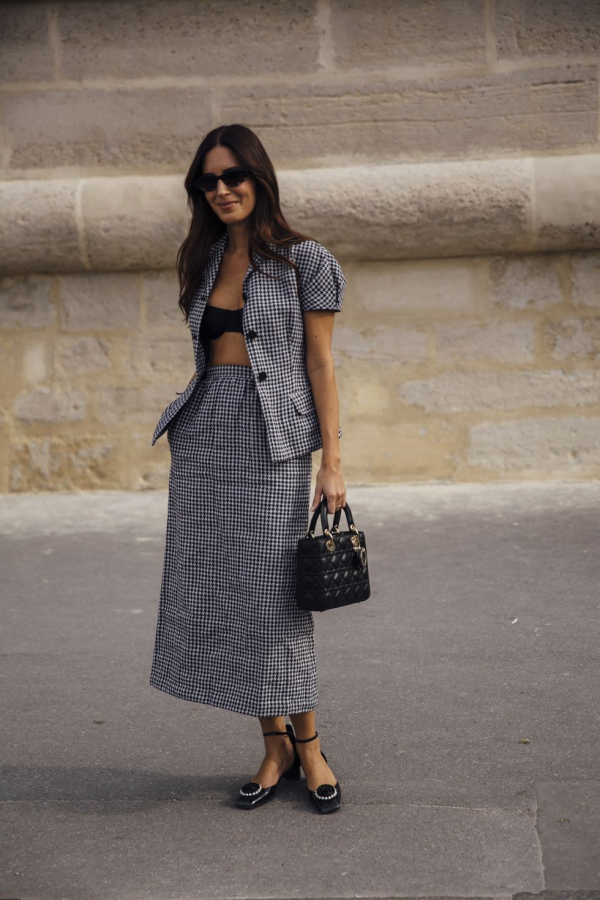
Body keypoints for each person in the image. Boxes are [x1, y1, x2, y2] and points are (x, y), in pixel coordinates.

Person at [149, 123, 347, 815]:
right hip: (207, 434)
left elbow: (319, 363)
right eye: (208, 180)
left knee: (275, 595)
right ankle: (275, 747)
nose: (222, 189)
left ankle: (311, 744)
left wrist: (333, 463)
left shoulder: (306, 261)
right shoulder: (203, 261)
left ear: (260, 179)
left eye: (233, 176)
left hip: (274, 441)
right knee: (232, 589)